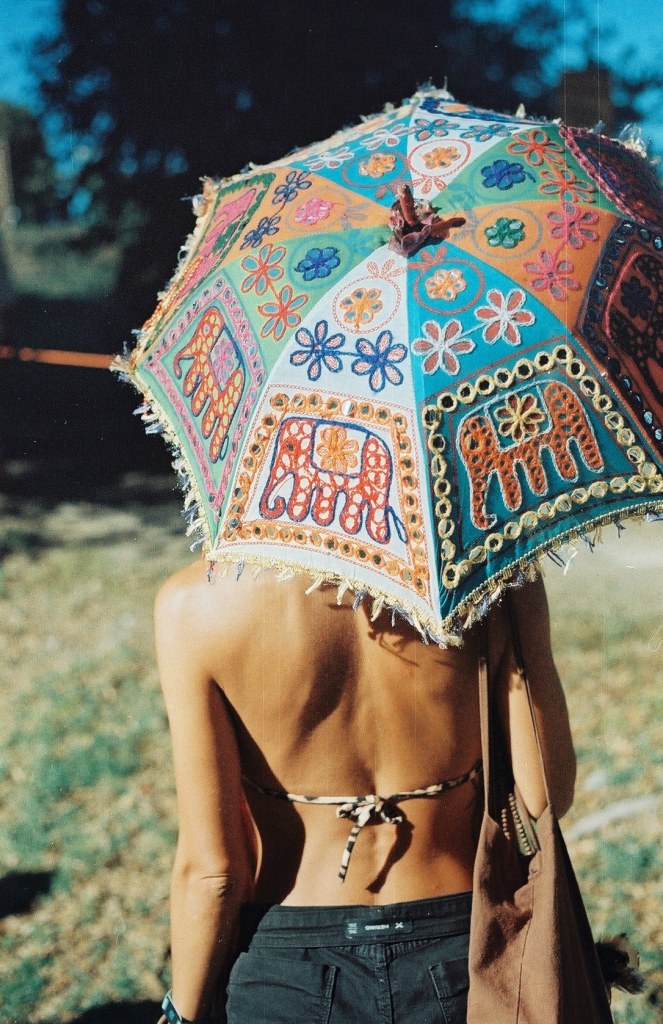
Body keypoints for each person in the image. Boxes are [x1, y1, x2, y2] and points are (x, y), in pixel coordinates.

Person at [154, 561, 576, 1024]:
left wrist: (182, 1016)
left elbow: (213, 875)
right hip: (462, 951)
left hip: (287, 967)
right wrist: (522, 609)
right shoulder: (486, 577)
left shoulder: (195, 602)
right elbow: (544, 795)